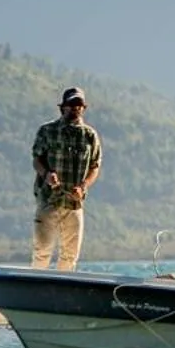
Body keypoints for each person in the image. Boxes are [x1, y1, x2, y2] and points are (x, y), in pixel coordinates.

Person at [31, 86, 102, 269]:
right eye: (71, 104)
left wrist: (84, 186)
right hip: (48, 200)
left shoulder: (90, 136)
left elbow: (95, 166)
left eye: (78, 105)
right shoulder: (47, 131)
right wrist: (47, 174)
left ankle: (61, 292)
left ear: (84, 108)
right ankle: (36, 289)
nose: (75, 108)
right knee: (42, 251)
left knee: (70, 256)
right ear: (62, 107)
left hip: (75, 204)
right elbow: (36, 159)